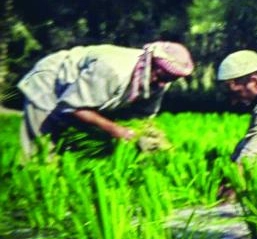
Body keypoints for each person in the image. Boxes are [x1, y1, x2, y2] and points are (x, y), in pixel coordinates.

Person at [17, 42, 194, 157]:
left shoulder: (160, 82)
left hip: (85, 97)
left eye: (167, 80)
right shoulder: (113, 68)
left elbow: (142, 117)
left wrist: (150, 136)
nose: (158, 81)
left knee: (72, 152)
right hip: (50, 85)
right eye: (158, 75)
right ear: (151, 62)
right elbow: (75, 107)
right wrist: (114, 129)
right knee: (41, 150)